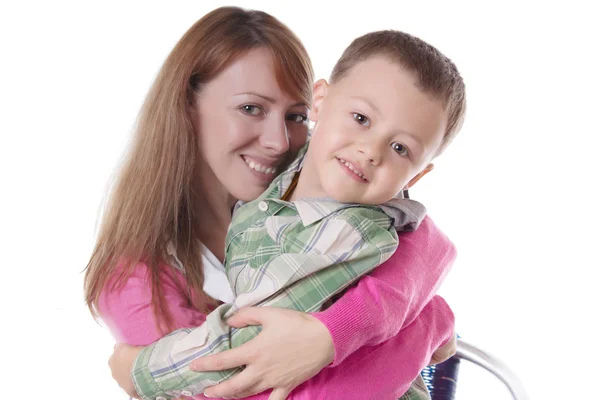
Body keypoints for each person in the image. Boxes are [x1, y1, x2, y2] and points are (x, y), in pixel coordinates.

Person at [85, 6, 457, 400]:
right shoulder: (134, 278)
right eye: (251, 109)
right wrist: (419, 325)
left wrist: (342, 333)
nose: (279, 141)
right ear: (186, 106)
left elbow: (431, 245)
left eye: (295, 117)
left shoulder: (305, 191)